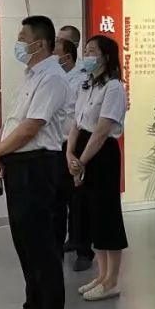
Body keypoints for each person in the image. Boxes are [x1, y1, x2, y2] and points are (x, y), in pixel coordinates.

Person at [0, 16, 70, 309]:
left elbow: (32, 126)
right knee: (25, 245)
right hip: (19, 166)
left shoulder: (53, 78)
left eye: (23, 38)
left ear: (41, 43)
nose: (18, 44)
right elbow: (12, 123)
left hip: (39, 167)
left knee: (43, 249)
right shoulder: (31, 76)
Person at [67, 35, 128, 302]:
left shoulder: (114, 88)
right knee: (91, 214)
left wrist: (82, 161)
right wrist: (70, 153)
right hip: (82, 148)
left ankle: (112, 280)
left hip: (101, 154)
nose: (87, 55)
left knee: (107, 215)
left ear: (106, 56)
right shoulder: (86, 85)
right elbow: (76, 122)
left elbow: (102, 131)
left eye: (93, 51)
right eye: (86, 50)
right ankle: (102, 275)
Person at [52, 36, 93, 272]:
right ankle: (62, 243)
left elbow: (79, 118)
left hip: (75, 144)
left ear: (66, 57)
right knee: (58, 199)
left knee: (78, 201)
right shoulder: (53, 78)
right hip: (56, 145)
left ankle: (84, 250)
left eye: (55, 53)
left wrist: (73, 152)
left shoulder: (82, 81)